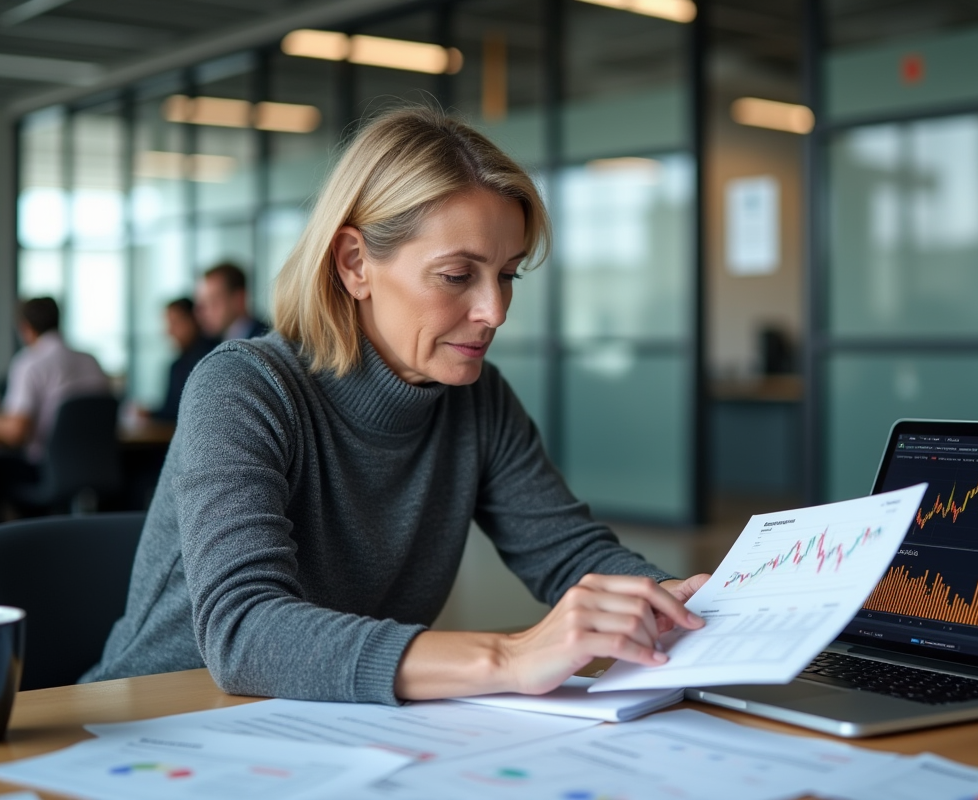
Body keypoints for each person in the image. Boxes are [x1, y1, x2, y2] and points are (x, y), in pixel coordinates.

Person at [84, 106, 710, 704]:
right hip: (156, 719)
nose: (494, 312)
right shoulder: (243, 387)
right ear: (356, 264)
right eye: (457, 275)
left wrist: (683, 601)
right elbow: (245, 633)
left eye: (508, 274)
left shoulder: (477, 398)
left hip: (332, 722)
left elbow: (569, 553)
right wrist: (509, 657)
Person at [0, 297, 110, 525]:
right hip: (97, 469)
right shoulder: (91, 361)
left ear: (25, 327)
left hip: (43, 471)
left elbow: (17, 433)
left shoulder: (30, 363)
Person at [150, 298, 218, 423]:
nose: (169, 331)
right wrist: (149, 414)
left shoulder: (213, 358)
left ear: (193, 320)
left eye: (175, 323)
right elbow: (171, 411)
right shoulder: (176, 366)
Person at [194, 262, 270, 341]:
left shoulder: (265, 341)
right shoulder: (213, 342)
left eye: (213, 301)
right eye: (201, 303)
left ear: (239, 299)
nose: (202, 312)